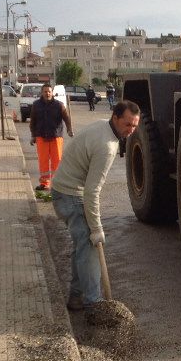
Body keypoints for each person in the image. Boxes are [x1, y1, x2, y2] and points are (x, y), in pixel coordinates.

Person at [51, 100, 141, 311]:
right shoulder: (107, 146)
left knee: (82, 245)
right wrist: (97, 228)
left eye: (135, 125)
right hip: (70, 195)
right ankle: (94, 303)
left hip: (63, 189)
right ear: (116, 118)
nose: (131, 130)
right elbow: (92, 192)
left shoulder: (103, 127)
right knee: (90, 246)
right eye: (127, 124)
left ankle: (76, 296)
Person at [30, 82, 74, 191]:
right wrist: (33, 135)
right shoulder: (36, 105)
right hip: (41, 136)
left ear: (52, 93)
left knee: (57, 161)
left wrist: (69, 129)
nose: (47, 93)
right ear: (42, 93)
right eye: (45, 92)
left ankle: (57, 184)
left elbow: (67, 118)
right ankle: (45, 183)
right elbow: (33, 122)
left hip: (56, 137)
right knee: (43, 161)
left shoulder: (59, 105)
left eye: (49, 91)